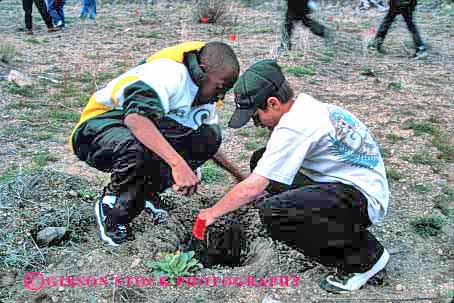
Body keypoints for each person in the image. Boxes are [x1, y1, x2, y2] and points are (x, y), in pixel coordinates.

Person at [196, 60, 390, 294]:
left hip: (362, 199)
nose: (257, 125)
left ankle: (364, 259)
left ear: (273, 103)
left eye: (256, 116)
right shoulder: (304, 108)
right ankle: (320, 222)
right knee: (262, 158)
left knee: (274, 213)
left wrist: (211, 214)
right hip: (350, 184)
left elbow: (252, 188)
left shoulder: (295, 127)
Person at [69, 41, 245, 247]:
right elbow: (136, 120)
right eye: (221, 87)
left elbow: (211, 145)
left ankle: (146, 194)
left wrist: (242, 178)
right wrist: (178, 165)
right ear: (203, 71)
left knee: (208, 137)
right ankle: (114, 207)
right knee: (137, 146)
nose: (221, 95)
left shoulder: (204, 97)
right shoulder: (169, 73)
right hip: (96, 129)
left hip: (134, 131)